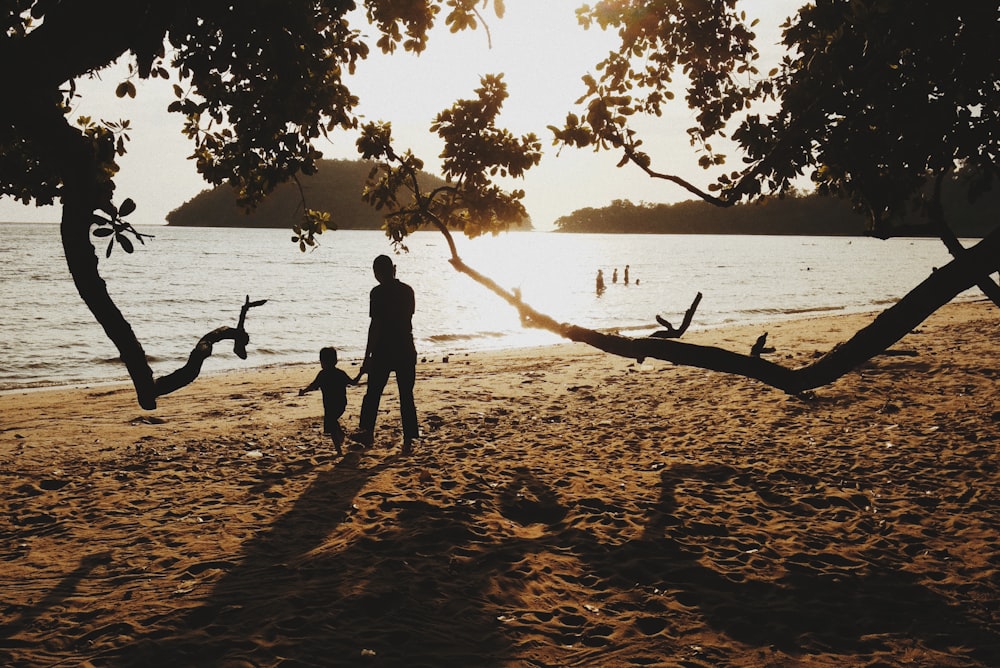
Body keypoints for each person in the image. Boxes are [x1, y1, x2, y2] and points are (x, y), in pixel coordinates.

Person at [353, 255, 419, 454]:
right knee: (406, 395)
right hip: (406, 346)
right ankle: (409, 437)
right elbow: (408, 317)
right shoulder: (408, 291)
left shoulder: (378, 293)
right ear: (394, 269)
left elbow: (376, 326)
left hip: (384, 349)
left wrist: (367, 357)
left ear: (376, 273)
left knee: (373, 393)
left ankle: (367, 432)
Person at [299, 346, 358, 456]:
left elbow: (313, 386)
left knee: (331, 425)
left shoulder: (323, 374)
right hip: (341, 404)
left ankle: (339, 450)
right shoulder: (340, 373)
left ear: (322, 362)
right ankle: (340, 437)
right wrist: (361, 373)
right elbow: (353, 382)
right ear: (335, 360)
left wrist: (304, 391)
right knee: (333, 423)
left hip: (330, 405)